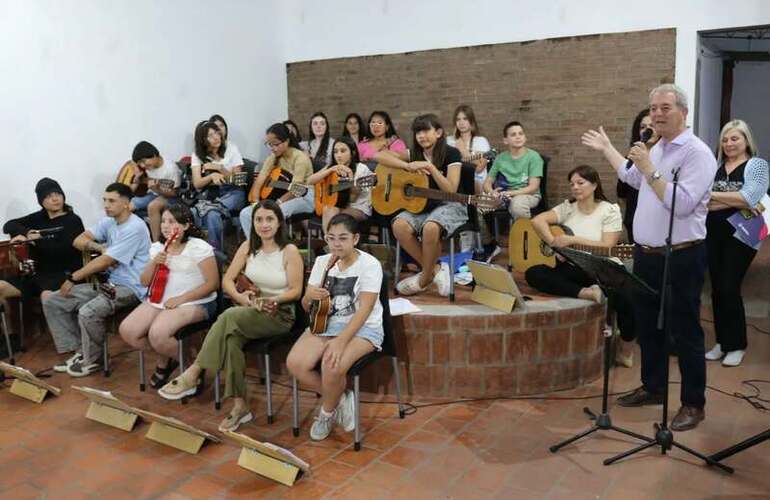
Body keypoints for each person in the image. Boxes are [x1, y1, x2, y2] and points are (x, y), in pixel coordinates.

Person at [582, 83, 717, 431]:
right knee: (648, 324)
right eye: (653, 108)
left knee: (685, 330)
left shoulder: (697, 153)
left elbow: (682, 203)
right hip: (647, 255)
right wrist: (609, 149)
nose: (656, 114)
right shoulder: (657, 147)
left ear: (683, 112)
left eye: (664, 108)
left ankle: (693, 403)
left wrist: (648, 167)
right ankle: (654, 387)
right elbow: (631, 177)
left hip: (681, 255)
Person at [159, 201, 303, 432]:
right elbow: (227, 280)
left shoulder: (289, 251)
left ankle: (195, 371)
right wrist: (241, 297)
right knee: (230, 340)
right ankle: (240, 406)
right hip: (248, 309)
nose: (264, 224)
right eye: (259, 219)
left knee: (229, 315)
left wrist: (272, 300)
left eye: (269, 219)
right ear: (252, 223)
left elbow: (296, 290)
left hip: (279, 313)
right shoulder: (247, 247)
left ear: (279, 223)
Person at [286, 213, 383, 441]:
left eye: (343, 238)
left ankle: (326, 413)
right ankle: (340, 397)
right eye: (331, 238)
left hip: (363, 326)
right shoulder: (323, 262)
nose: (336, 244)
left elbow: (366, 309)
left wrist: (341, 341)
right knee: (295, 363)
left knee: (331, 364)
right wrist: (308, 296)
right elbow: (306, 307)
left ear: (355, 239)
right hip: (326, 322)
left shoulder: (370, 264)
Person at [525, 166, 635, 355]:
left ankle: (625, 347)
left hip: (602, 267)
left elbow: (608, 246)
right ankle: (588, 293)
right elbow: (537, 221)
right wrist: (555, 244)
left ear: (594, 185)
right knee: (533, 273)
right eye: (572, 184)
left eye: (580, 183)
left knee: (627, 298)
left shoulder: (609, 210)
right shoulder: (567, 207)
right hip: (574, 267)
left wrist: (573, 240)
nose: (575, 187)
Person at [42, 183, 150, 377]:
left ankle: (94, 359)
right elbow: (78, 240)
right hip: (110, 283)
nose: (106, 205)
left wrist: (73, 277)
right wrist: (99, 247)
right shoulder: (109, 222)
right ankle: (81, 351)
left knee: (88, 312)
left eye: (112, 201)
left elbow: (106, 261)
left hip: (132, 287)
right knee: (54, 301)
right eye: (104, 200)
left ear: (126, 203)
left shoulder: (135, 227)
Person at [119, 205, 219, 389]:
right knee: (128, 331)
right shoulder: (157, 247)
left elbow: (212, 283)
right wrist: (153, 263)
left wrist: (182, 299)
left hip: (196, 300)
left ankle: (192, 368)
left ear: (186, 225)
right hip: (161, 299)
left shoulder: (198, 247)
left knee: (158, 334)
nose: (165, 226)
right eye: (163, 221)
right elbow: (144, 282)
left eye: (172, 221)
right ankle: (168, 357)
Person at [705, 120, 769, 367]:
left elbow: (749, 197)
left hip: (743, 234)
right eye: (725, 139)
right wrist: (734, 199)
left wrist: (712, 195)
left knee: (729, 285)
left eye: (735, 138)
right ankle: (722, 342)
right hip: (712, 232)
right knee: (717, 288)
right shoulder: (716, 167)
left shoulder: (757, 165)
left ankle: (737, 345)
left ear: (746, 140)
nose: (729, 144)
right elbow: (705, 204)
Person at [385, 114, 465, 297]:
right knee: (399, 225)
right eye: (417, 132)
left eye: (425, 131)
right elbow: (380, 155)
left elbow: (451, 189)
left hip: (451, 204)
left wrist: (431, 168)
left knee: (431, 227)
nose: (421, 136)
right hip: (423, 205)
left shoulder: (452, 153)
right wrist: (407, 166)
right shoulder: (413, 154)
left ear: (438, 132)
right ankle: (435, 270)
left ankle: (423, 279)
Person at [1, 178, 84, 332]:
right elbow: (9, 225)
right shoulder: (39, 217)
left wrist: (36, 241)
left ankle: (67, 338)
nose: (55, 199)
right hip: (38, 275)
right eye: (48, 196)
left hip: (63, 274)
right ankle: (10, 337)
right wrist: (26, 233)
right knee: (1, 287)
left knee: (47, 295)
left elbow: (63, 251)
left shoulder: (72, 220)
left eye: (58, 194)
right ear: (41, 201)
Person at [479, 121, 544, 262]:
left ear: (525, 137)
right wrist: (492, 192)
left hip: (528, 195)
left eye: (521, 133)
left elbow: (533, 187)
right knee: (479, 205)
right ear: (505, 140)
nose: (518, 137)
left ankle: (527, 244)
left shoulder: (534, 157)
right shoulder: (500, 158)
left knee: (517, 205)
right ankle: (490, 244)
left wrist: (510, 194)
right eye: (513, 134)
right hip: (504, 195)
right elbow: (487, 183)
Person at [240, 123, 314, 235]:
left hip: (304, 197)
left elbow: (296, 189)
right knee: (245, 213)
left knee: (273, 214)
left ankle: (272, 244)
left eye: (276, 144)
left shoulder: (300, 158)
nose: (272, 148)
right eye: (269, 145)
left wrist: (277, 203)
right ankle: (255, 244)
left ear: (287, 141)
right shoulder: (272, 158)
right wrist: (256, 204)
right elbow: (259, 182)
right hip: (280, 196)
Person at [189, 120, 246, 253]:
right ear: (202, 140)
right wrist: (211, 177)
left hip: (234, 192)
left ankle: (215, 254)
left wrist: (220, 168)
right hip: (211, 194)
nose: (216, 137)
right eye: (210, 135)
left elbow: (239, 180)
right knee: (207, 214)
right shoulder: (197, 155)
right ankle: (209, 254)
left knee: (208, 212)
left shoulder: (231, 147)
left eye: (216, 133)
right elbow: (197, 183)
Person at [447, 105, 492, 252]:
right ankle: (471, 240)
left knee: (471, 192)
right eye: (458, 119)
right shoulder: (449, 141)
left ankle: (477, 242)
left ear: (471, 121)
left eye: (465, 119)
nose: (461, 122)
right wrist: (470, 157)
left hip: (478, 186)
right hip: (456, 186)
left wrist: (462, 151)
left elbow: (479, 167)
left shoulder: (481, 141)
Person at [307, 136, 372, 233]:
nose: (338, 155)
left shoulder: (361, 169)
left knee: (331, 210)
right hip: (337, 206)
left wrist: (350, 176)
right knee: (330, 209)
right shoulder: (332, 167)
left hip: (358, 208)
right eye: (335, 151)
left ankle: (329, 240)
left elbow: (352, 199)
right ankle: (330, 240)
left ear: (353, 153)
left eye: (343, 151)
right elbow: (309, 181)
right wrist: (330, 170)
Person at [617, 109, 659, 244]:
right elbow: (622, 193)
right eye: (643, 127)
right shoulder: (631, 157)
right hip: (634, 218)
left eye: (652, 126)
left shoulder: (665, 158)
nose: (648, 130)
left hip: (658, 220)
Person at [127, 141, 181, 241]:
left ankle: (156, 243)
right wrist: (138, 176)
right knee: (128, 206)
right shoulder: (146, 166)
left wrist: (156, 188)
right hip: (152, 194)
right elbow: (132, 163)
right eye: (140, 163)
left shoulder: (170, 168)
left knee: (153, 206)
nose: (143, 165)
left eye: (144, 161)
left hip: (168, 197)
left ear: (154, 155)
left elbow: (174, 193)